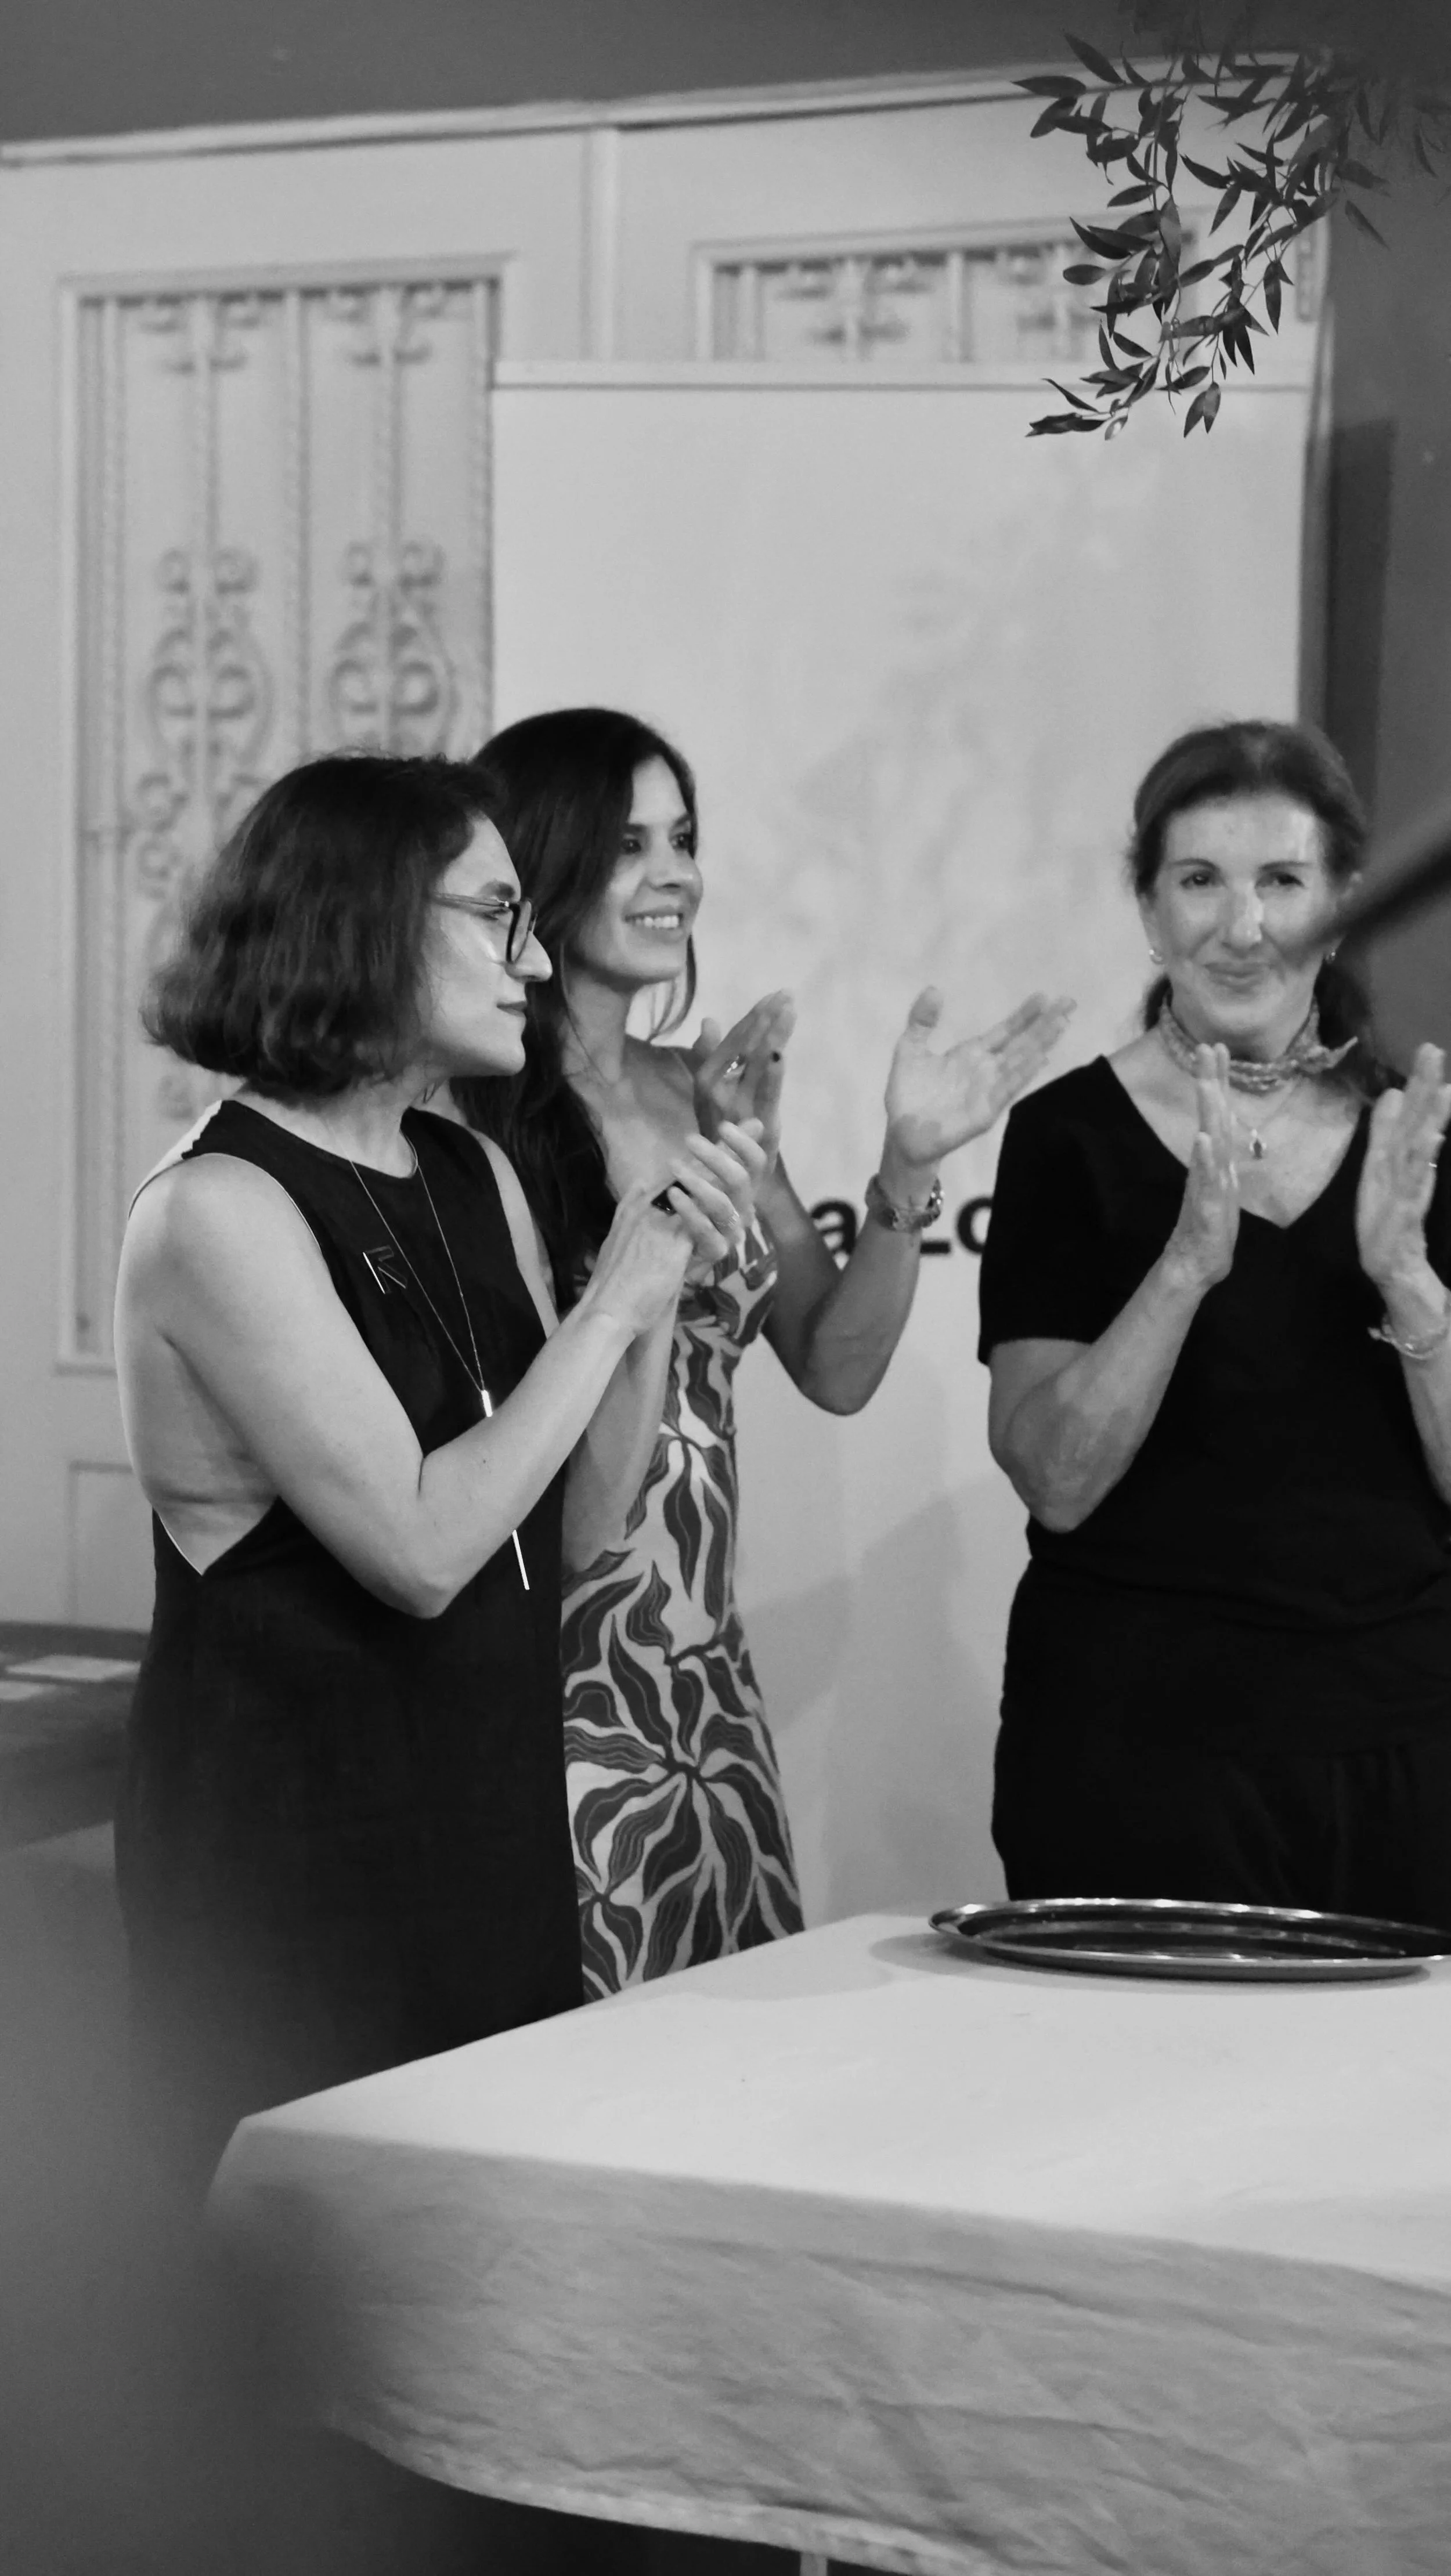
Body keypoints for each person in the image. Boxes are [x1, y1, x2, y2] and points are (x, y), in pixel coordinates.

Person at [114, 752, 760, 2194]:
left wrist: (650, 1295)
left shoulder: (477, 1172)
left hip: (487, 1828)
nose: (531, 961)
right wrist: (607, 1305)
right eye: (494, 915)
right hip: (291, 1872)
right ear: (365, 919)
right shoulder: (219, 1206)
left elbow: (575, 1532)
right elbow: (417, 1551)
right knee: (305, 2297)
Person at [456, 706, 1071, 1992]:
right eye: (629, 843)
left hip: (701, 1694)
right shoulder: (465, 1117)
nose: (672, 873)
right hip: (547, 1683)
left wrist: (908, 1164)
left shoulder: (699, 1093)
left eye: (683, 838)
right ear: (543, 861)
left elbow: (836, 1362)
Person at [979, 717, 1451, 1926]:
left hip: (1404, 1747)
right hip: (1132, 1753)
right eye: (1199, 879)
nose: (1243, 926)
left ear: (1337, 908)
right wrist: (1186, 1265)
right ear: (1148, 907)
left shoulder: (1418, 1141)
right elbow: (1056, 1482)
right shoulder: (1066, 1138)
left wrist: (1408, 1281)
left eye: (1281, 881)